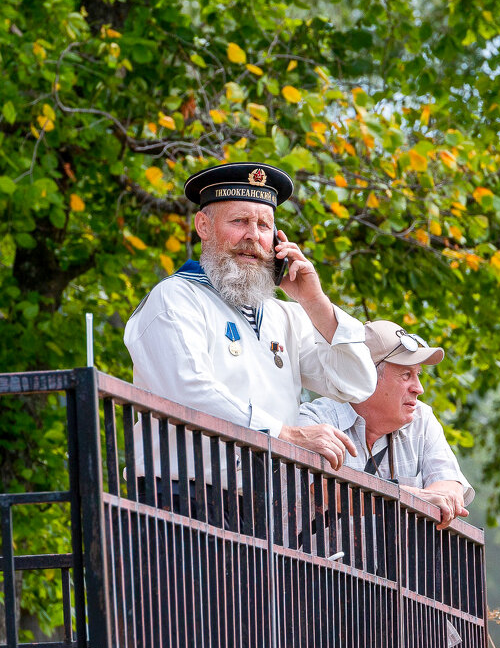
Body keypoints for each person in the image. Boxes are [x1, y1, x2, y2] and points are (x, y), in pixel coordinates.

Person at [124, 162, 377, 485]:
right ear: (203, 225)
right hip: (181, 497)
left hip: (265, 505)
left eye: (264, 225)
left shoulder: (285, 316)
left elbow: (357, 384)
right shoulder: (175, 298)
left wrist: (315, 303)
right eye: (239, 221)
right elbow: (190, 392)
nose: (252, 236)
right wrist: (284, 434)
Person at [298, 320, 474, 530]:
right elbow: (325, 489)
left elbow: (451, 485)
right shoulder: (315, 420)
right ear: (367, 377)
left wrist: (442, 497)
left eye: (418, 375)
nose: (419, 389)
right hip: (315, 562)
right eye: (406, 375)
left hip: (392, 564)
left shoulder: (422, 419)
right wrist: (415, 497)